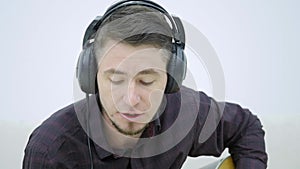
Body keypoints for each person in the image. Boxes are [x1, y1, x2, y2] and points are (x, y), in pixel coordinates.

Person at [22, 0, 268, 169]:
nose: (131, 98)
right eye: (116, 79)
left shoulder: (185, 111)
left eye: (147, 80)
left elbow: (246, 127)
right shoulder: (51, 150)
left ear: (171, 78)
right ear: (91, 74)